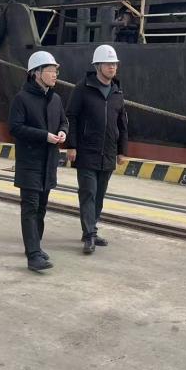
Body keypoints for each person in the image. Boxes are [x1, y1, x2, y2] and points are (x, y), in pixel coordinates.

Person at [9, 51, 68, 272]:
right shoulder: (21, 99)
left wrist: (62, 132)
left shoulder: (55, 99)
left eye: (55, 71)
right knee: (30, 208)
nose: (55, 75)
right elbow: (15, 128)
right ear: (36, 73)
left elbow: (64, 121)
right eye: (50, 71)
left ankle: (35, 247)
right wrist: (44, 136)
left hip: (48, 163)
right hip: (30, 163)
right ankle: (33, 255)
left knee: (41, 208)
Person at [66, 44, 128, 254]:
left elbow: (122, 123)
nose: (112, 67)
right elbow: (72, 117)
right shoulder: (82, 89)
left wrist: (122, 150)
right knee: (88, 193)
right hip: (86, 152)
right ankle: (89, 235)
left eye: (114, 64)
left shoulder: (117, 92)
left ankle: (90, 229)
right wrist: (71, 145)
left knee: (99, 195)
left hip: (108, 153)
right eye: (108, 64)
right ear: (97, 66)